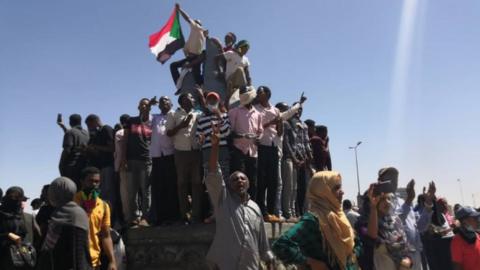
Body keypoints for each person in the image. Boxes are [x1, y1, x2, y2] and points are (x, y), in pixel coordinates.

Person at [204, 124, 274, 270]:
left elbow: (263, 241)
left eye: (242, 179)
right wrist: (215, 146)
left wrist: (268, 256)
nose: (239, 181)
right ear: (229, 186)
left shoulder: (255, 208)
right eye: (235, 179)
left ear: (248, 183)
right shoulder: (223, 200)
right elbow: (213, 173)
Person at [272, 171, 359, 270]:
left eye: (340, 187)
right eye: (336, 188)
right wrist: (310, 262)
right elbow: (280, 245)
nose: (342, 191)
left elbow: (357, 243)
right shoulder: (313, 220)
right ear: (322, 191)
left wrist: (352, 258)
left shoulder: (340, 216)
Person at [37, 177, 92, 270]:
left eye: (52, 192)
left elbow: (78, 253)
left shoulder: (75, 214)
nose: (50, 196)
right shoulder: (59, 211)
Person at [356, 185, 412, 270]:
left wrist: (408, 260)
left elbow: (405, 246)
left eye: (389, 198)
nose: (387, 202)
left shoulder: (395, 221)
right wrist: (374, 208)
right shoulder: (362, 224)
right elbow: (372, 238)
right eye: (382, 199)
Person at [166, 93, 202, 224]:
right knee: (182, 184)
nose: (192, 100)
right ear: (182, 102)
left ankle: (196, 215)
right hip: (180, 152)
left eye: (193, 98)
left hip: (195, 151)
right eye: (190, 98)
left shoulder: (198, 113)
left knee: (197, 184)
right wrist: (181, 125)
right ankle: (184, 215)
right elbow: (169, 133)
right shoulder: (173, 114)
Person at [74, 167, 116, 270]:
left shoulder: (103, 206)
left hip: (94, 263)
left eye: (97, 181)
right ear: (82, 182)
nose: (94, 184)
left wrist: (112, 261)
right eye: (90, 181)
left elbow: (106, 236)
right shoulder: (73, 201)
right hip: (74, 261)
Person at [121, 98, 154, 227]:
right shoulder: (131, 120)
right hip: (131, 159)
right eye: (142, 104)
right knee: (132, 190)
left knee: (146, 190)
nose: (144, 106)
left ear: (150, 107)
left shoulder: (152, 121)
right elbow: (125, 139)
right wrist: (123, 158)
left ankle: (146, 218)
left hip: (146, 159)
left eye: (146, 105)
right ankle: (134, 217)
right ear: (138, 107)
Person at [149, 96, 180, 226]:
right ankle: (161, 217)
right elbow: (144, 119)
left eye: (166, 100)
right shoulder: (154, 117)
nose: (163, 102)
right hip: (157, 156)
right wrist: (149, 105)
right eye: (161, 101)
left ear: (171, 103)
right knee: (159, 187)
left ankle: (174, 216)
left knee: (172, 186)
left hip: (171, 154)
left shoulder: (176, 115)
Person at [228, 86, 263, 200]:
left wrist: (258, 138)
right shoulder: (234, 112)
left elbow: (260, 131)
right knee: (238, 181)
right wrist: (243, 136)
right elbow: (230, 133)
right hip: (238, 150)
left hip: (253, 152)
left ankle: (251, 207)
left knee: (253, 181)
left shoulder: (258, 114)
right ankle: (237, 208)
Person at [254, 86, 282, 222]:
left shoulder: (275, 110)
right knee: (261, 180)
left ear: (268, 94)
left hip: (273, 146)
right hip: (261, 146)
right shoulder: (255, 109)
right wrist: (271, 122)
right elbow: (255, 128)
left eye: (261, 92)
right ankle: (262, 211)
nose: (258, 94)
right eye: (258, 92)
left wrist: (280, 122)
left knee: (273, 181)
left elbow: (279, 132)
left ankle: (272, 212)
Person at [85, 114, 117, 225]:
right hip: (101, 167)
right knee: (103, 194)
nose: (89, 128)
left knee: (109, 194)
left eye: (90, 125)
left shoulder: (106, 130)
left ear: (95, 121)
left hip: (108, 165)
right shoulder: (97, 134)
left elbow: (112, 148)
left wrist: (96, 147)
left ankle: (110, 219)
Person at [0, 186, 40, 270]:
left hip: (23, 260)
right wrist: (6, 235)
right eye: (11, 197)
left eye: (17, 198)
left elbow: (37, 237)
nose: (14, 200)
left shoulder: (28, 217)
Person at [170, 3, 206, 87]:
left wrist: (179, 10)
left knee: (196, 75)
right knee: (174, 66)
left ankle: (200, 87)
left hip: (195, 57)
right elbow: (185, 50)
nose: (193, 23)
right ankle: (180, 86)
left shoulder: (197, 28)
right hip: (190, 58)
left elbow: (188, 18)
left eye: (195, 22)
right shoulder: (194, 37)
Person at [420, 181, 455, 270]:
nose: (444, 206)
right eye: (439, 203)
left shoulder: (443, 216)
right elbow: (434, 232)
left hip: (449, 256)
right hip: (437, 257)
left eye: (444, 203)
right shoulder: (428, 218)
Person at [290, 105, 313, 216]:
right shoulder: (291, 122)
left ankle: (302, 210)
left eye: (301, 110)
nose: (299, 112)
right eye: (297, 109)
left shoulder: (304, 125)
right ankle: (296, 210)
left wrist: (309, 155)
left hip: (304, 158)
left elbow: (306, 141)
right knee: (295, 186)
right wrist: (300, 156)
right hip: (296, 157)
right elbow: (294, 141)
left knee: (303, 186)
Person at [59, 114, 90, 188]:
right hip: (84, 166)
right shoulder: (86, 133)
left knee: (71, 190)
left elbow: (67, 150)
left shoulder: (70, 133)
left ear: (70, 122)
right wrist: (62, 126)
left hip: (72, 167)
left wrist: (61, 165)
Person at [114, 114, 129, 226]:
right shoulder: (136, 131)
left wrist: (118, 166)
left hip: (123, 166)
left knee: (125, 193)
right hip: (136, 164)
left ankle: (127, 216)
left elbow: (118, 152)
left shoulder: (119, 133)